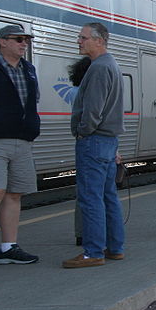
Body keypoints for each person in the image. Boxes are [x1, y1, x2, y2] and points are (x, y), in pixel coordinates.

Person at [63, 23, 125, 269]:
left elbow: (93, 111)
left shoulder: (99, 68)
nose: (79, 41)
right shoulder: (111, 65)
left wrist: (82, 132)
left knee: (90, 198)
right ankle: (115, 247)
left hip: (94, 141)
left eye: (83, 37)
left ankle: (92, 252)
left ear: (99, 41)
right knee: (108, 196)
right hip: (109, 141)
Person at [0, 25, 40, 265]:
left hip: (23, 140)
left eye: (26, 40)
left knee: (14, 194)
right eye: (18, 39)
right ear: (2, 42)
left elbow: (32, 99)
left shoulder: (29, 69)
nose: (24, 43)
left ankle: (8, 248)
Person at [68, 56, 92, 247]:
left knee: (83, 189)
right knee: (92, 190)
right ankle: (87, 232)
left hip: (83, 141)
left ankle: (81, 232)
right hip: (91, 142)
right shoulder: (85, 92)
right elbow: (89, 117)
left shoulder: (74, 90)